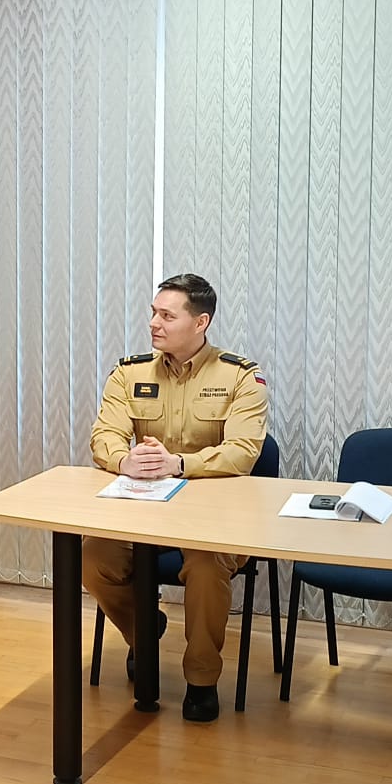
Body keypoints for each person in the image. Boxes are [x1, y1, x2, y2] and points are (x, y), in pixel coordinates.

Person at [84, 273, 270, 722]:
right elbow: (105, 434)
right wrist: (123, 460)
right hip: (147, 514)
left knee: (205, 565)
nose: (153, 323)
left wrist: (180, 464)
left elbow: (243, 451)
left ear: (200, 322)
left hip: (215, 518)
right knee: (91, 557)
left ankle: (201, 680)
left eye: (167, 315)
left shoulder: (240, 377)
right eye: (154, 312)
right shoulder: (129, 373)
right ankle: (143, 632)